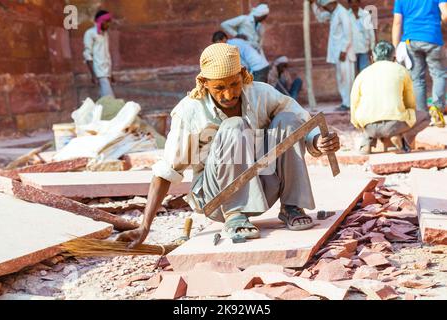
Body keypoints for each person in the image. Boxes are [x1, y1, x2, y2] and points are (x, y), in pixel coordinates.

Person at [116, 43, 340, 247]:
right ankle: (235, 213)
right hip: (216, 197)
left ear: (243, 75)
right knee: (233, 125)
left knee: (288, 119)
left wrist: (318, 141)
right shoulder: (190, 112)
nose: (229, 94)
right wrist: (144, 227)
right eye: (219, 88)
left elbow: (302, 121)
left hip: (261, 184)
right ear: (204, 84)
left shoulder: (260, 93)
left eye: (234, 84)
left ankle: (292, 205)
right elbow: (165, 172)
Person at [351, 41, 430, 155]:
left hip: (369, 126)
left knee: (366, 116)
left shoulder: (362, 74)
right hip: (395, 125)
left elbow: (354, 104)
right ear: (394, 58)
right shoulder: (401, 71)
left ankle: (367, 140)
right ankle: (401, 138)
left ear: (372, 58)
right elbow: (410, 103)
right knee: (425, 117)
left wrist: (360, 126)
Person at [392, 0, 447, 128]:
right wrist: (441, 26)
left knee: (417, 80)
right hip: (432, 38)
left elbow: (397, 22)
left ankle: (422, 117)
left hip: (411, 40)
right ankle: (437, 109)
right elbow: (445, 14)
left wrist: (395, 48)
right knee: (439, 74)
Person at [311, 0, 356, 112]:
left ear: (332, 3)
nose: (325, 9)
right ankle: (345, 103)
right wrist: (313, 4)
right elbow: (320, 17)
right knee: (341, 79)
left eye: (326, 7)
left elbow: (348, 33)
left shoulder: (342, 12)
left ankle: (348, 104)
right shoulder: (333, 13)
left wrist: (344, 50)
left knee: (347, 80)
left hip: (344, 54)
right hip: (337, 53)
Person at [83, 10, 115, 98]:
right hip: (99, 72)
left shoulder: (105, 34)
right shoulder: (90, 33)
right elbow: (87, 55)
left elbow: (106, 54)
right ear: (100, 21)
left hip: (106, 72)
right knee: (110, 99)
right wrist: (93, 75)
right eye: (107, 21)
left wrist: (110, 73)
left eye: (109, 22)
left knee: (104, 99)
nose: (108, 24)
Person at [347, 0, 376, 73]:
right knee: (352, 73)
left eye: (355, 1)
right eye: (351, 2)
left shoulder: (365, 15)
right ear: (349, 3)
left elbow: (371, 32)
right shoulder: (346, 15)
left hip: (364, 49)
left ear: (359, 2)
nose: (354, 4)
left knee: (364, 72)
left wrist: (372, 47)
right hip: (351, 50)